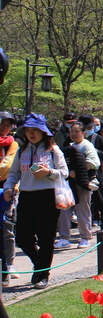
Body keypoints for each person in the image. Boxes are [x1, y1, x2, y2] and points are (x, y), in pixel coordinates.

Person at [3, 113, 69, 289]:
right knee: (23, 237)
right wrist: (9, 187)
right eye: (28, 131)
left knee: (46, 238)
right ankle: (40, 265)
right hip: (26, 195)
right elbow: (14, 173)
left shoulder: (53, 150)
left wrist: (49, 172)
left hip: (47, 196)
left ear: (43, 131)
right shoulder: (21, 150)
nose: (31, 134)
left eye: (35, 130)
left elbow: (64, 172)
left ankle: (43, 274)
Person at [57, 123, 99, 249]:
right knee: (64, 210)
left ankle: (85, 237)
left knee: (82, 210)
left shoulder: (86, 145)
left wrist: (78, 170)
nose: (74, 134)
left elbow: (94, 163)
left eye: (76, 131)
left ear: (83, 132)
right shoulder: (70, 146)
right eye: (72, 131)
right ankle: (64, 238)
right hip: (69, 183)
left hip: (82, 183)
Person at [0, 112, 19, 285]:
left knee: (7, 228)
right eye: (2, 123)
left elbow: (6, 167)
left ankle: (9, 264)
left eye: (8, 124)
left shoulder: (12, 144)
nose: (5, 127)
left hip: (7, 189)